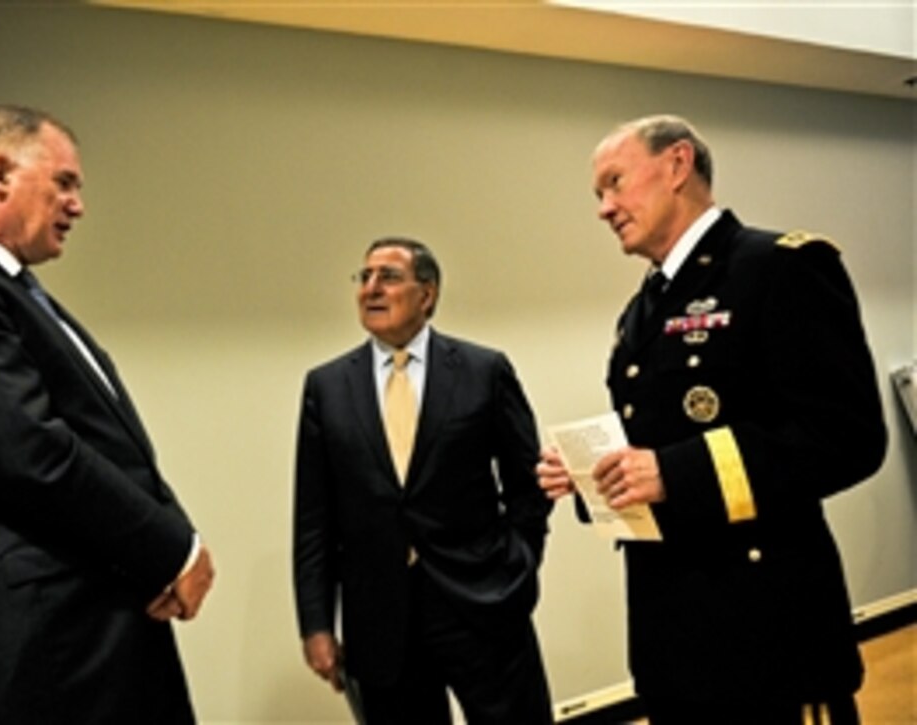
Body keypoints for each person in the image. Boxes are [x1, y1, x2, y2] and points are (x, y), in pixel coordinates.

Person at [538, 115, 887, 724]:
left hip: (767, 630)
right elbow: (657, 441)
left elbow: (848, 437)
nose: (605, 207)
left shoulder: (779, 267)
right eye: (599, 194)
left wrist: (674, 472)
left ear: (677, 165)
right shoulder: (640, 309)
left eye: (615, 183)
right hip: (671, 636)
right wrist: (594, 475)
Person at [0, 104, 214, 724]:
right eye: (64, 182)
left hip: (104, 640)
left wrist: (173, 540)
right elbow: (31, 451)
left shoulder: (25, 298)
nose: (78, 205)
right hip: (38, 654)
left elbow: (110, 447)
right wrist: (174, 547)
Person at [293, 237, 555, 724]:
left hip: (482, 603)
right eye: (364, 277)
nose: (371, 288)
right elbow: (314, 517)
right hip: (379, 618)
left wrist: (519, 566)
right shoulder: (326, 388)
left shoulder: (483, 371)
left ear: (427, 294)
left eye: (388, 277)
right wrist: (315, 623)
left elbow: (528, 484)